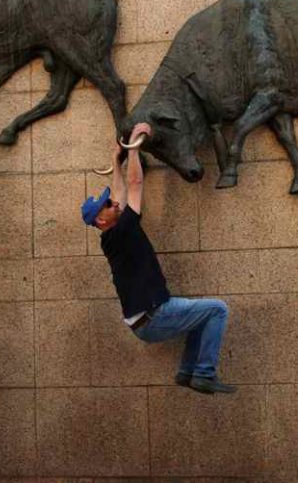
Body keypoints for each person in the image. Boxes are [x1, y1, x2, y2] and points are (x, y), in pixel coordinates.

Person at [80, 124, 236, 394]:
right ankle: (204, 373)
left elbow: (119, 193)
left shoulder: (113, 234)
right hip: (154, 316)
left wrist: (116, 161)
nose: (113, 203)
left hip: (146, 318)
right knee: (217, 310)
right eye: (107, 205)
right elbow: (134, 185)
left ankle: (188, 372)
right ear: (101, 219)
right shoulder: (122, 231)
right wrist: (135, 148)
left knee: (199, 318)